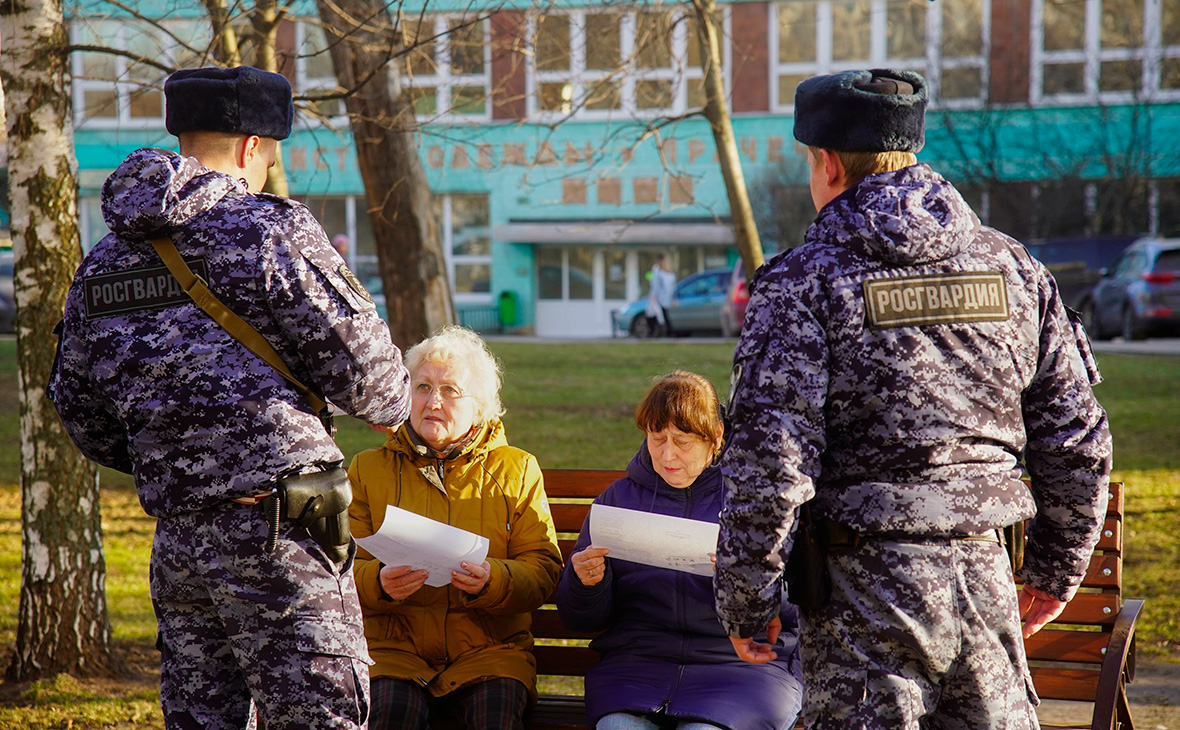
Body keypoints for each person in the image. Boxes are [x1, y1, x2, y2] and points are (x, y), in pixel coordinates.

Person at [714, 69, 1111, 730]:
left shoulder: (803, 281)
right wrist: (1055, 568)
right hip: (986, 581)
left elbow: (770, 466)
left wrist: (747, 602)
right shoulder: (1014, 269)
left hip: (863, 605)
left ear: (828, 163)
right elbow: (1077, 437)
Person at [48, 66, 412, 729]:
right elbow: (372, 381)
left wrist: (182, 459)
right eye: (271, 157)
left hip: (180, 541)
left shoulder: (101, 263)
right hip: (282, 530)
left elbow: (80, 410)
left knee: (202, 719)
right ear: (252, 148)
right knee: (318, 716)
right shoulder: (273, 232)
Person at [557, 371, 803, 730]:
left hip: (740, 671)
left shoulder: (757, 502)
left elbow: (800, 609)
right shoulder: (619, 500)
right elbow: (580, 620)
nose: (667, 454)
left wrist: (749, 583)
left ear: (715, 437)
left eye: (682, 441)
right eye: (657, 439)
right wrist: (585, 583)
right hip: (638, 666)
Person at [348, 325, 563, 730]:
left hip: (490, 653)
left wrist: (492, 580)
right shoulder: (367, 469)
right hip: (394, 652)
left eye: (450, 390)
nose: (433, 401)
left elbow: (543, 570)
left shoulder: (516, 469)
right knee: (391, 715)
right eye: (423, 387)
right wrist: (379, 582)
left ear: (480, 406)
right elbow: (337, 572)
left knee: (494, 720)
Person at [645, 253, 676, 336]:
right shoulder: (669, 273)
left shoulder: (658, 273)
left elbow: (656, 286)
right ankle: (667, 333)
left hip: (659, 298)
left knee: (655, 316)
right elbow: (672, 287)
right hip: (665, 298)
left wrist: (653, 296)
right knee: (662, 316)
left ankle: (656, 333)